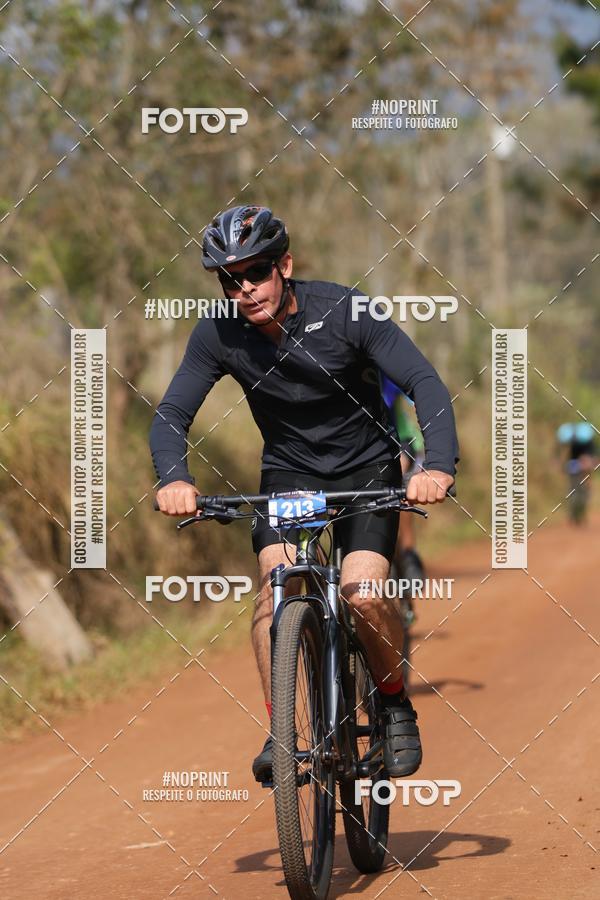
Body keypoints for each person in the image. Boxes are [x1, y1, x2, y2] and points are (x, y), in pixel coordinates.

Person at [149, 204, 459, 783]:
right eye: (230, 280)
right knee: (274, 591)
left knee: (363, 594)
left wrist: (437, 466)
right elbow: (171, 414)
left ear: (284, 266)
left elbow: (424, 382)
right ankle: (283, 733)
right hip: (289, 475)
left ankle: (393, 701)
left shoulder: (346, 311)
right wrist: (174, 479)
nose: (245, 289)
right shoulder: (217, 332)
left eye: (256, 272)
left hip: (366, 472)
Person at [556, 422, 597, 524]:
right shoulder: (584, 440)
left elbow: (593, 459)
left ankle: (578, 515)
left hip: (582, 470)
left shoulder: (587, 442)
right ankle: (575, 515)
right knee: (576, 491)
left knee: (581, 491)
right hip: (576, 468)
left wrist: (588, 464)